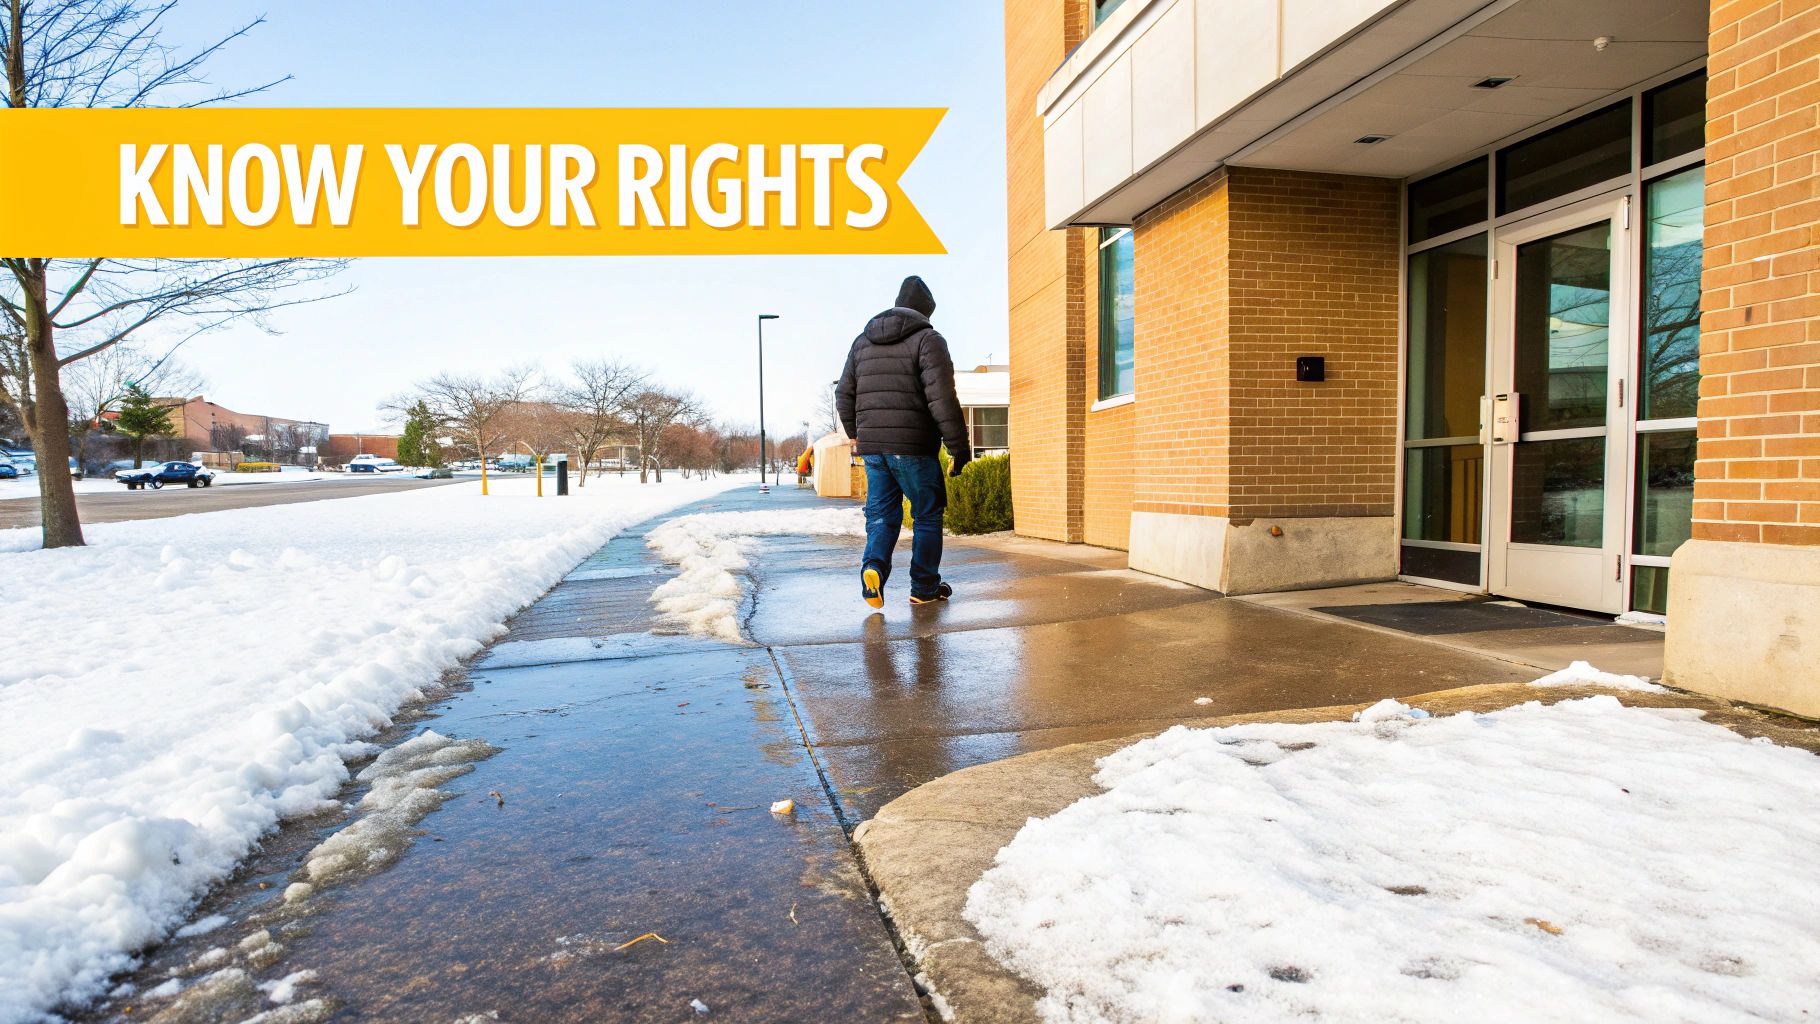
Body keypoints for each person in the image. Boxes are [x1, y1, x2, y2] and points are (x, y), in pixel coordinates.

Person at [836, 275, 970, 608]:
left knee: (881, 516)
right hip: (914, 448)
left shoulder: (861, 342)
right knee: (926, 514)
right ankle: (924, 587)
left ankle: (874, 570)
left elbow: (843, 394)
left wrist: (857, 434)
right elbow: (942, 398)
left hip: (874, 451)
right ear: (926, 312)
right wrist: (959, 448)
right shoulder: (928, 339)